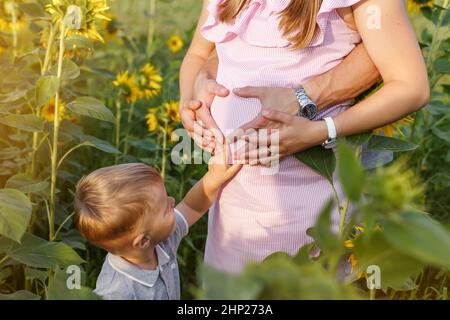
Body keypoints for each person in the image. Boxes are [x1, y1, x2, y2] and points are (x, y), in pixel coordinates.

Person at [179, 0, 429, 273]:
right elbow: (199, 53)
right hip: (233, 205)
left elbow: (410, 86)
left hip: (310, 201)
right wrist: (190, 99)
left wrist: (320, 130)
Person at [74, 148, 241, 299]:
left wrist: (213, 177)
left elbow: (191, 207)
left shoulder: (161, 241)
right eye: (165, 209)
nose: (173, 200)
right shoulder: (117, 293)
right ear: (143, 241)